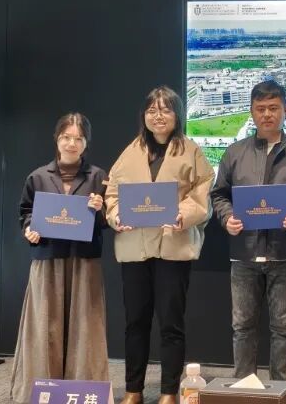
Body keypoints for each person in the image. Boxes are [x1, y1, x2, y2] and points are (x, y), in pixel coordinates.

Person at [211, 80, 286, 381]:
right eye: (260, 108)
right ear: (251, 112)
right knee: (242, 327)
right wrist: (227, 217)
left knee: (284, 328)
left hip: (285, 253)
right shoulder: (234, 153)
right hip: (244, 253)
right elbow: (219, 195)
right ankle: (244, 389)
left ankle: (281, 390)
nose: (267, 114)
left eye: (273, 108)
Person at [105, 86, 214, 404]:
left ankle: (168, 391)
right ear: (144, 116)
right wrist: (115, 216)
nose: (158, 116)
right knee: (135, 323)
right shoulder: (129, 153)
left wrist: (183, 215)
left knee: (171, 323)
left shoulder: (191, 151)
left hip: (172, 247)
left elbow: (203, 192)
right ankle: (133, 389)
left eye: (165, 109)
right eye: (152, 110)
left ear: (177, 114)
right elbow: (112, 193)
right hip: (135, 247)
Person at [10, 113, 109, 404]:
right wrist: (29, 229)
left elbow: (107, 221)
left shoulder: (98, 177)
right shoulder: (38, 176)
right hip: (48, 259)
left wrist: (100, 209)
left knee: (85, 326)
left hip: (84, 261)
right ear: (57, 139)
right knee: (44, 325)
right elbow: (25, 213)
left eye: (78, 138)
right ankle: (42, 390)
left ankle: (84, 390)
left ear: (86, 142)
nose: (72, 143)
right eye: (66, 137)